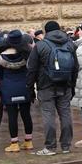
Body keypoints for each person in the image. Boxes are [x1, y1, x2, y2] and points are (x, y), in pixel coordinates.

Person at [27, 23, 76, 155]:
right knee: (65, 114)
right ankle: (66, 146)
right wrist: (73, 86)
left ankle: (50, 147)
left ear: (45, 31)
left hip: (45, 86)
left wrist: (30, 88)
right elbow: (75, 67)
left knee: (48, 115)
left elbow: (31, 69)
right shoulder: (70, 44)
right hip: (65, 85)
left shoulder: (40, 46)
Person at [0, 29, 35, 152]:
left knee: (12, 116)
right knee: (26, 114)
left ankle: (14, 143)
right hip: (24, 88)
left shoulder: (1, 55)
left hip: (8, 89)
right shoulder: (28, 54)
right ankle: (28, 142)